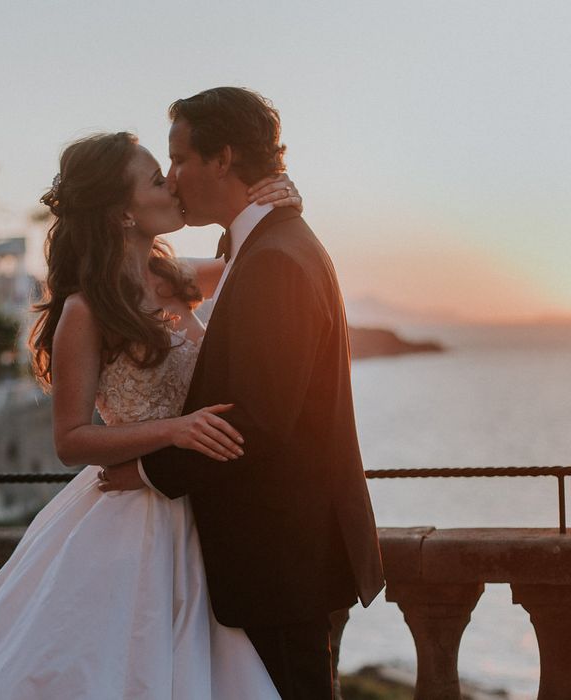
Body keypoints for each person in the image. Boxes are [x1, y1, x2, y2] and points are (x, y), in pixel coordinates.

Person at [0, 130, 300, 699]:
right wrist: (176, 430)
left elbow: (259, 266)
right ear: (123, 212)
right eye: (157, 177)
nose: (173, 182)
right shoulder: (85, 311)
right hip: (133, 518)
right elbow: (72, 440)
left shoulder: (175, 277)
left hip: (199, 505)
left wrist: (276, 205)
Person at [100, 87, 385, 699]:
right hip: (273, 555)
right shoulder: (263, 244)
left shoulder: (277, 258)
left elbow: (255, 421)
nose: (172, 179)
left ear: (222, 159)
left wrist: (146, 470)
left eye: (179, 160)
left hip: (279, 560)